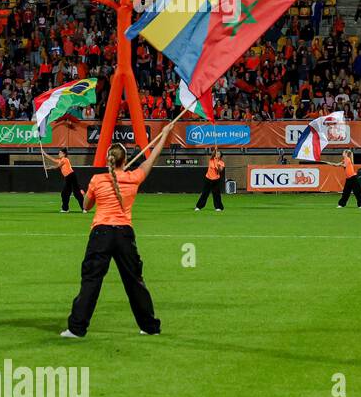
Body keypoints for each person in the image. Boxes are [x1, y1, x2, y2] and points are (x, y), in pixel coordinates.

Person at [62, 123, 175, 339]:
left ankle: (77, 329)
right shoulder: (134, 178)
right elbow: (152, 158)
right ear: (124, 160)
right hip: (124, 235)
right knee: (135, 281)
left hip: (101, 234)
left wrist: (87, 194)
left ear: (109, 160)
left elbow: (85, 207)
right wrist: (164, 135)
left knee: (91, 280)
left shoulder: (97, 180)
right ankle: (150, 327)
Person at [42, 147, 85, 212]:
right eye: (59, 153)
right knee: (65, 193)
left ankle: (84, 208)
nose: (59, 154)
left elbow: (57, 166)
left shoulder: (65, 159)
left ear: (64, 154)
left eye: (60, 153)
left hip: (71, 176)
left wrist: (48, 168)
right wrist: (44, 153)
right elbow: (52, 159)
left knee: (77, 193)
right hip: (68, 178)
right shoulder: (60, 160)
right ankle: (65, 209)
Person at [194, 147, 226, 212]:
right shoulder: (211, 159)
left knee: (216, 194)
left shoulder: (221, 162)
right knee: (205, 193)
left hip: (216, 180)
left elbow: (220, 170)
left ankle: (218, 207)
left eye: (218, 154)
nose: (217, 154)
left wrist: (218, 166)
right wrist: (215, 150)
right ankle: (198, 207)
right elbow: (213, 154)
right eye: (216, 153)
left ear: (220, 156)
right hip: (208, 178)